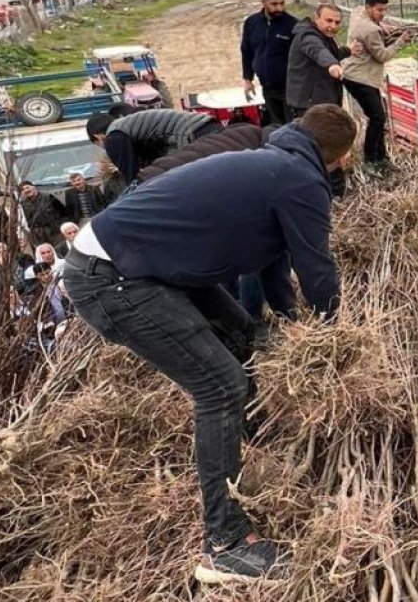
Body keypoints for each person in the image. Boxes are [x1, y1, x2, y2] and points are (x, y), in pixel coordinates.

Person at [61, 104, 356, 584]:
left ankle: (258, 451)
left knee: (249, 338)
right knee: (220, 385)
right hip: (113, 276)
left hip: (140, 260)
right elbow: (317, 267)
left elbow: (275, 264)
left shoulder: (271, 161)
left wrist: (292, 325)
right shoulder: (298, 179)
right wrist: (334, 334)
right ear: (340, 159)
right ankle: (225, 543)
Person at [137, 122, 300, 323]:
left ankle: (246, 320)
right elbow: (261, 249)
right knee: (247, 256)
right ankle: (247, 325)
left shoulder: (246, 133)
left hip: (152, 189)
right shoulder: (266, 166)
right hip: (165, 201)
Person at [343, 0, 410, 170]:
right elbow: (382, 55)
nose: (383, 13)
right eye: (379, 10)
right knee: (377, 117)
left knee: (379, 117)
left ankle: (381, 157)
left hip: (353, 75)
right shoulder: (370, 29)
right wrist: (401, 42)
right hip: (360, 78)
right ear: (368, 7)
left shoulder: (358, 13)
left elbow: (374, 29)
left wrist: (382, 25)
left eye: (385, 10)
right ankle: (371, 160)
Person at [87, 108, 221, 189]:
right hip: (208, 127)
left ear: (98, 137)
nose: (105, 149)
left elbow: (134, 180)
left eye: (99, 146)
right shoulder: (130, 126)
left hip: (194, 134)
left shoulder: (113, 136)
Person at [241, 0, 298, 125]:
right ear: (263, 2)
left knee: (292, 127)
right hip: (267, 88)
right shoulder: (251, 23)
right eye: (274, 4)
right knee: (276, 126)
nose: (279, 8)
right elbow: (246, 50)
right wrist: (248, 78)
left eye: (282, 3)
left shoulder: (293, 25)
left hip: (289, 89)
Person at [286, 4, 353, 120]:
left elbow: (329, 53)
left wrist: (347, 51)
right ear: (316, 18)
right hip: (310, 106)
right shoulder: (308, 36)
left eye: (337, 22)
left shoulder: (323, 34)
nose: (333, 26)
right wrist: (332, 64)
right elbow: (318, 51)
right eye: (328, 20)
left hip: (321, 102)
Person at [17, 181, 70, 247]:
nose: (26, 190)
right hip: (39, 236)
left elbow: (63, 212)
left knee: (61, 250)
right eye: (23, 190)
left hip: (55, 232)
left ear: (33, 187)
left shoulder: (48, 197)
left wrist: (63, 226)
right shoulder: (23, 205)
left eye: (27, 187)